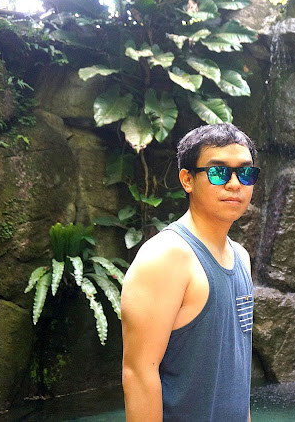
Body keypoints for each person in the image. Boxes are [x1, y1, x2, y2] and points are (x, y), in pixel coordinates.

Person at [120, 123, 259, 422]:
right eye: (219, 172)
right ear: (187, 180)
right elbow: (139, 373)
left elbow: (236, 374)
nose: (234, 184)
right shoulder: (166, 256)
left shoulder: (241, 257)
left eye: (245, 173)